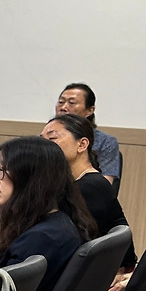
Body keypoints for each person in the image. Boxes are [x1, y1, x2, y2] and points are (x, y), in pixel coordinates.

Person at [0, 136, 95, 291]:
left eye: (1, 171)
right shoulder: (58, 223)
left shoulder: (40, 240)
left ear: (31, 178)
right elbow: (0, 276)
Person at [41, 113, 135, 271]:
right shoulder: (68, 183)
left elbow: (58, 242)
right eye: (41, 140)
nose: (42, 146)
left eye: (52, 139)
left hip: (103, 275)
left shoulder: (91, 187)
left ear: (82, 144)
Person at [56, 82, 121, 184]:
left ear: (90, 110)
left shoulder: (105, 142)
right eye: (61, 102)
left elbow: (105, 184)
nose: (63, 107)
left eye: (72, 103)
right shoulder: (46, 137)